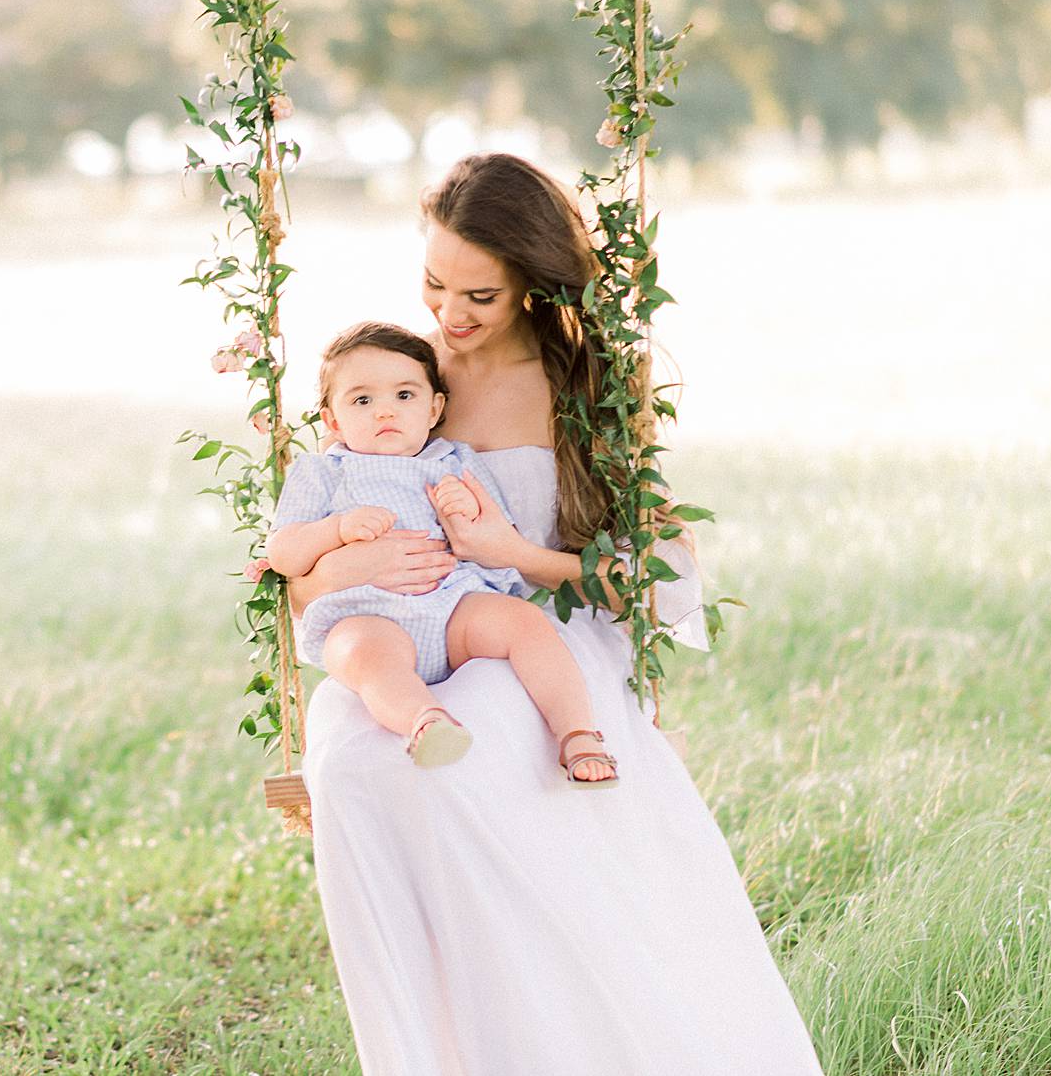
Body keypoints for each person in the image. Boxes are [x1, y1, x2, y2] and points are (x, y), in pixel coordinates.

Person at [286, 153, 824, 1075]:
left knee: (488, 731)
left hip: (541, 625)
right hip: (406, 628)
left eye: (480, 296)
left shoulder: (582, 384)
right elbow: (303, 565)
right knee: (346, 750)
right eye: (433, 283)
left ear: (533, 285)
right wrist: (357, 560)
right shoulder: (397, 374)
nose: (449, 316)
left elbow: (661, 575)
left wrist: (514, 554)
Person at [267, 320, 619, 785]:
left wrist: (466, 507)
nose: (384, 413)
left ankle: (578, 734)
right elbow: (284, 553)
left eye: (404, 396)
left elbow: (497, 531)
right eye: (362, 400)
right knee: (361, 654)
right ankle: (425, 722)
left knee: (524, 624)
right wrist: (335, 530)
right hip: (368, 615)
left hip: (455, 607)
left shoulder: (453, 461)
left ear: (435, 409)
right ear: (332, 420)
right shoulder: (324, 471)